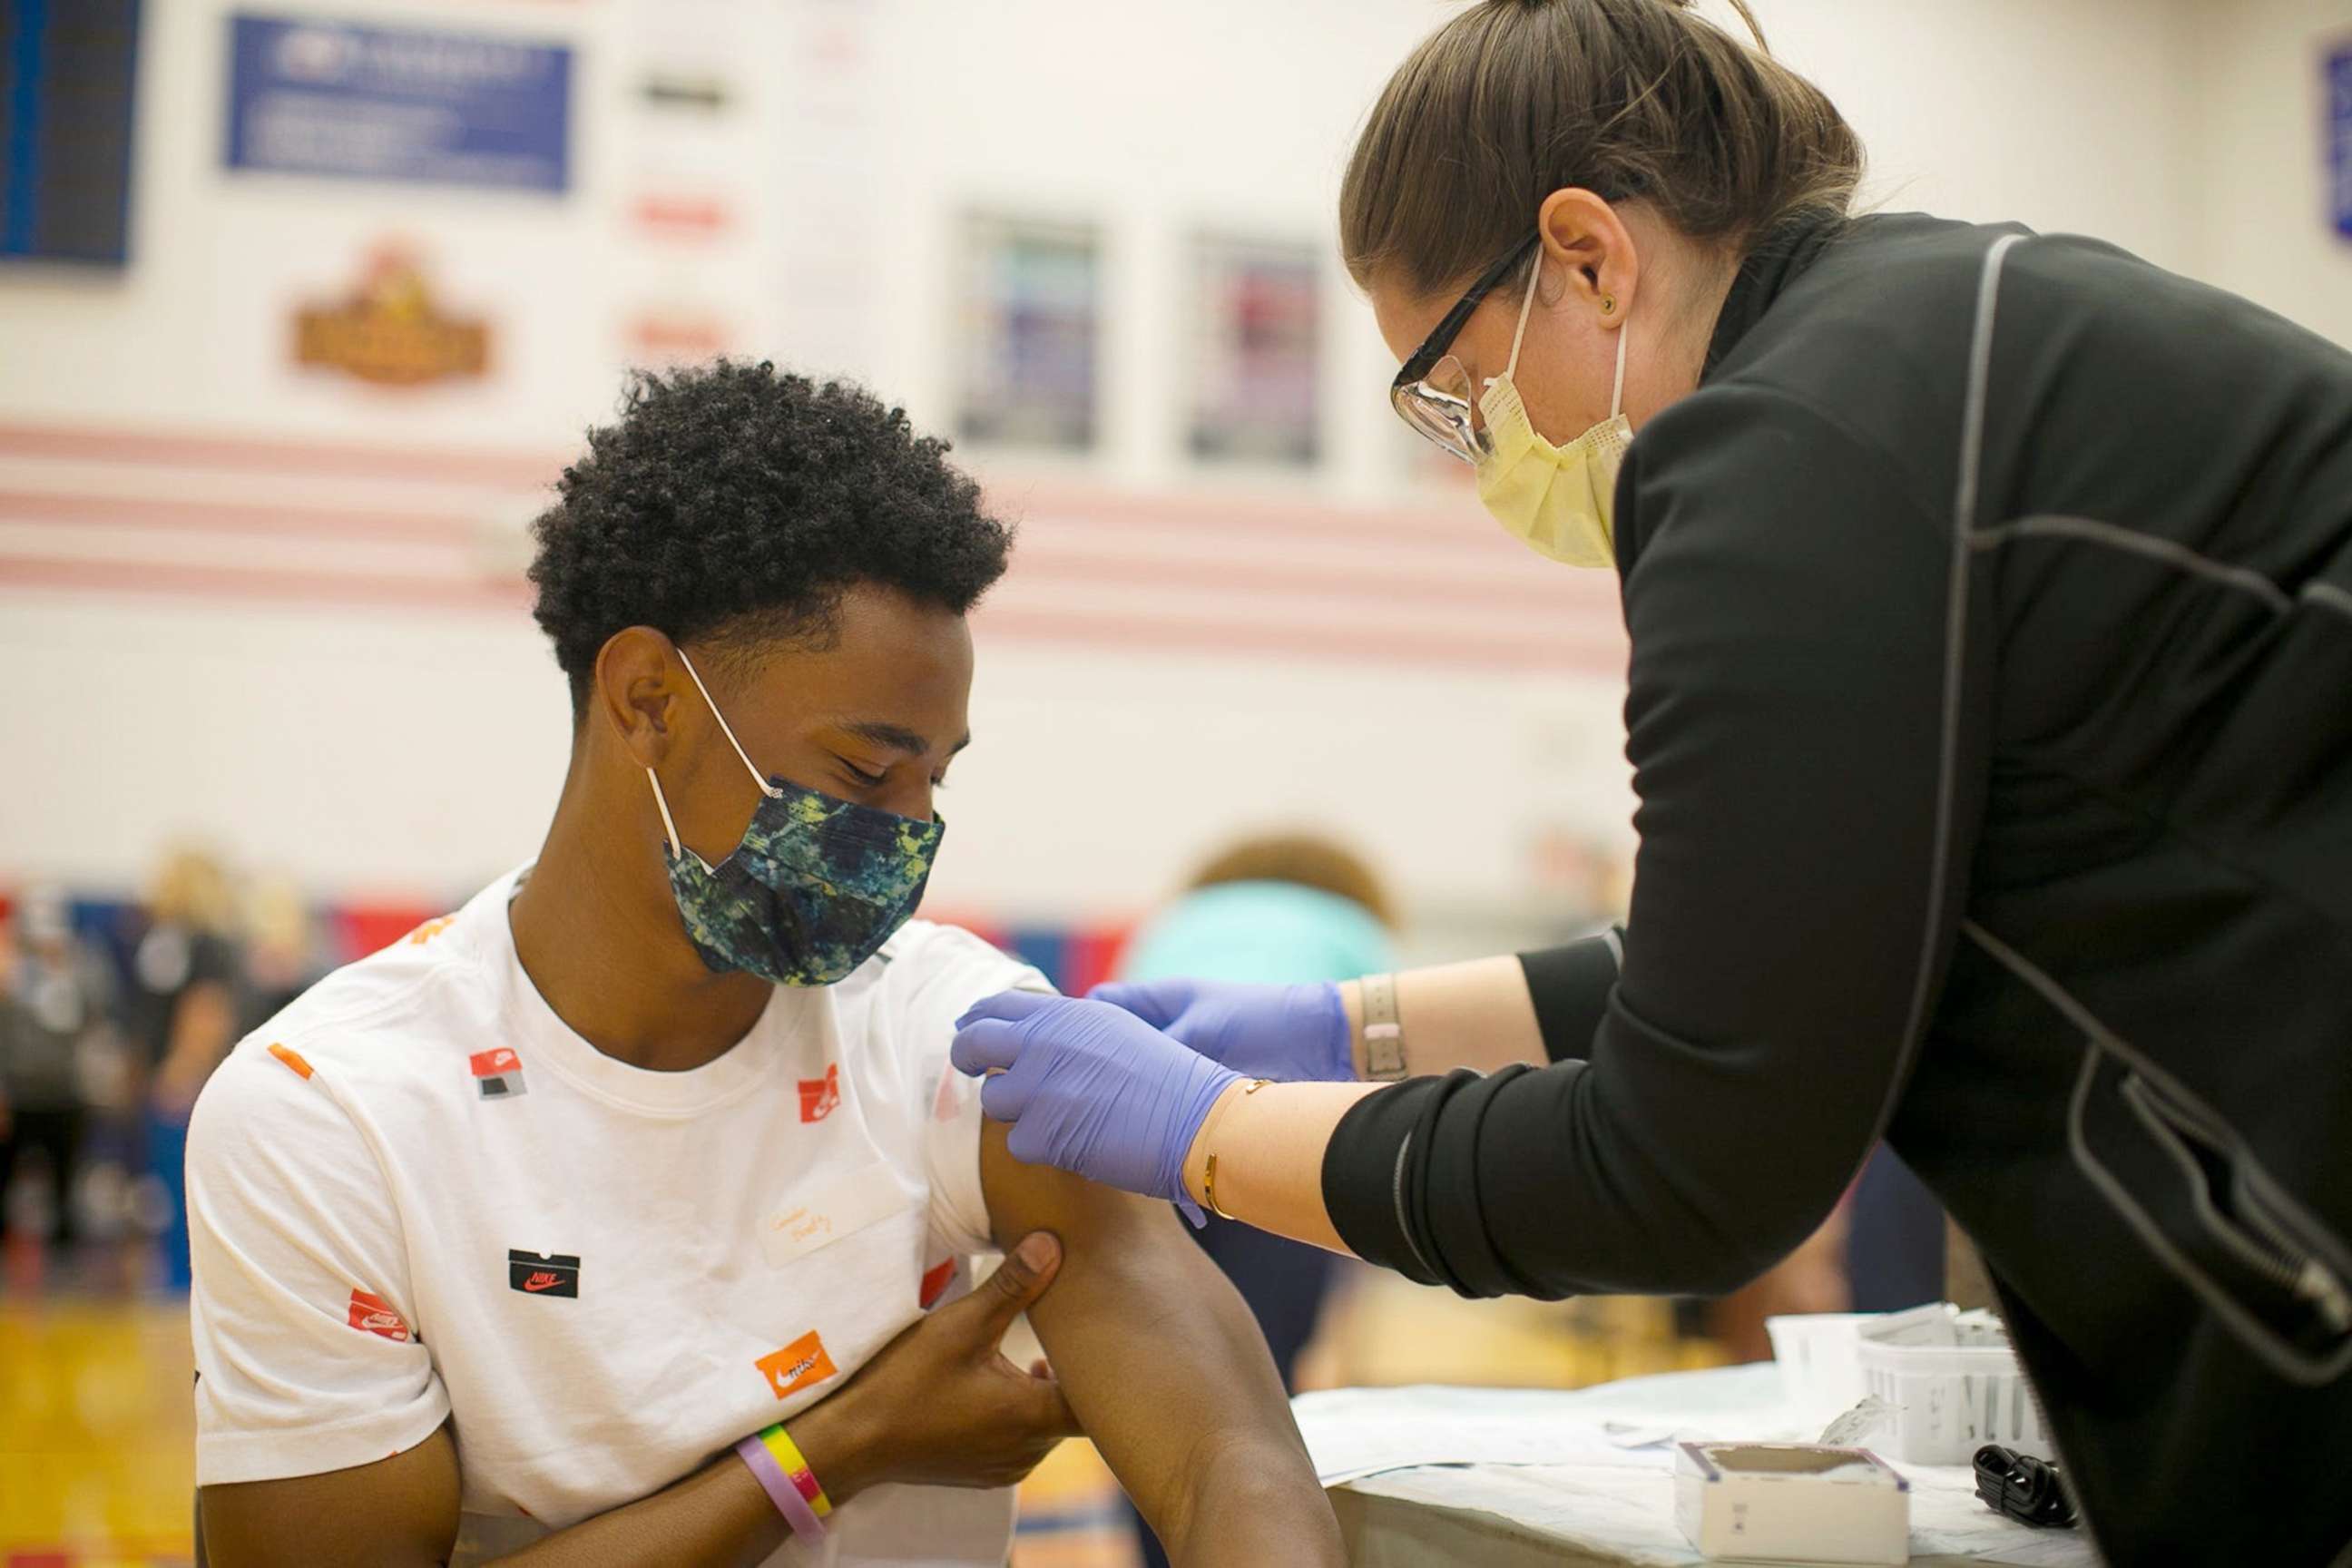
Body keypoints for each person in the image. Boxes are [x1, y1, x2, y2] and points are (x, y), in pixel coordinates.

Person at [950, 3, 2352, 1563]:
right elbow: (1803, 945)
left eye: (1451, 387)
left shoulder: (1779, 450)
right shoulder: (1924, 336)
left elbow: (1685, 1163)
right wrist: (1359, 1023)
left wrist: (1216, 1128)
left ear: (1588, 256)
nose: (1473, 447)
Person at [187, 363, 1342, 1568]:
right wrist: (836, 1446)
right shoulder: (328, 1115)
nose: (907, 835)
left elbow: (1232, 1459)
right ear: (646, 698)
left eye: (933, 781)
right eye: (862, 772)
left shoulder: (964, 1037)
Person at [1107, 833, 1396, 1568]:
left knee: (1140, 1387)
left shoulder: (1178, 922)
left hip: (1133, 1149)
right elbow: (1391, 1080)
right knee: (1262, 1389)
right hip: (1277, 1149)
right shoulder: (1355, 931)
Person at [0, 886, 120, 1260]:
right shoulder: (14, 974)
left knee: (65, 1185)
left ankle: (65, 1265)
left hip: (67, 1095)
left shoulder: (81, 973)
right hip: (22, 1095)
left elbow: (98, 1021)